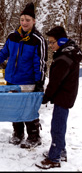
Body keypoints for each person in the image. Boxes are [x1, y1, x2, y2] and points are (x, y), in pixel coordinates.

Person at [0, 2, 48, 149]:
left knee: (28, 109)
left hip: (28, 81)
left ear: (34, 21)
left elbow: (40, 63)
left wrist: (39, 82)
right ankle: (18, 133)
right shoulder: (13, 36)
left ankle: (34, 136)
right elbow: (4, 51)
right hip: (12, 79)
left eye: (28, 20)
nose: (24, 23)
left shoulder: (38, 40)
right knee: (14, 107)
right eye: (22, 19)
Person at [35, 26, 82, 169]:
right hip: (65, 94)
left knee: (57, 128)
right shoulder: (68, 51)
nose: (50, 46)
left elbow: (55, 82)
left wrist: (46, 97)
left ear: (61, 41)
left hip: (64, 96)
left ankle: (54, 158)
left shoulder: (64, 58)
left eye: (52, 42)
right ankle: (61, 151)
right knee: (59, 125)